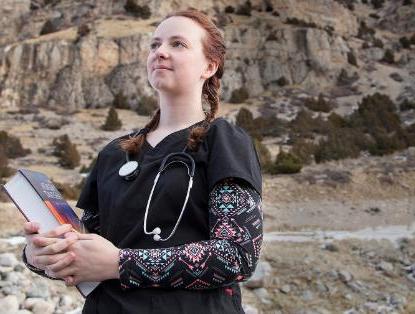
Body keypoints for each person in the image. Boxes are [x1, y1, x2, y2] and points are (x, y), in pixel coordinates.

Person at [22, 9, 263, 314]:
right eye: (154, 45)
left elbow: (237, 255)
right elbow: (86, 248)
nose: (160, 52)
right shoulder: (114, 153)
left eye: (178, 44)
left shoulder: (223, 141)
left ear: (209, 66)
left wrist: (119, 264)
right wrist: (40, 255)